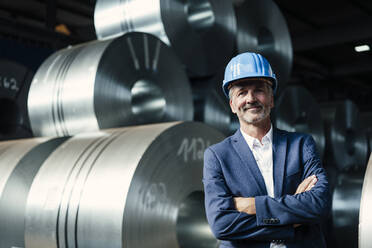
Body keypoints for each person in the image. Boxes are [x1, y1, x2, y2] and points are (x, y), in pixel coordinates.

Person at [203, 52, 331, 248]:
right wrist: (291, 222)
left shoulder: (301, 144)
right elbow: (221, 225)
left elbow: (319, 205)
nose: (251, 98)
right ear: (232, 105)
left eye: (259, 90)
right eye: (242, 92)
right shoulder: (217, 156)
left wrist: (252, 205)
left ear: (271, 99)